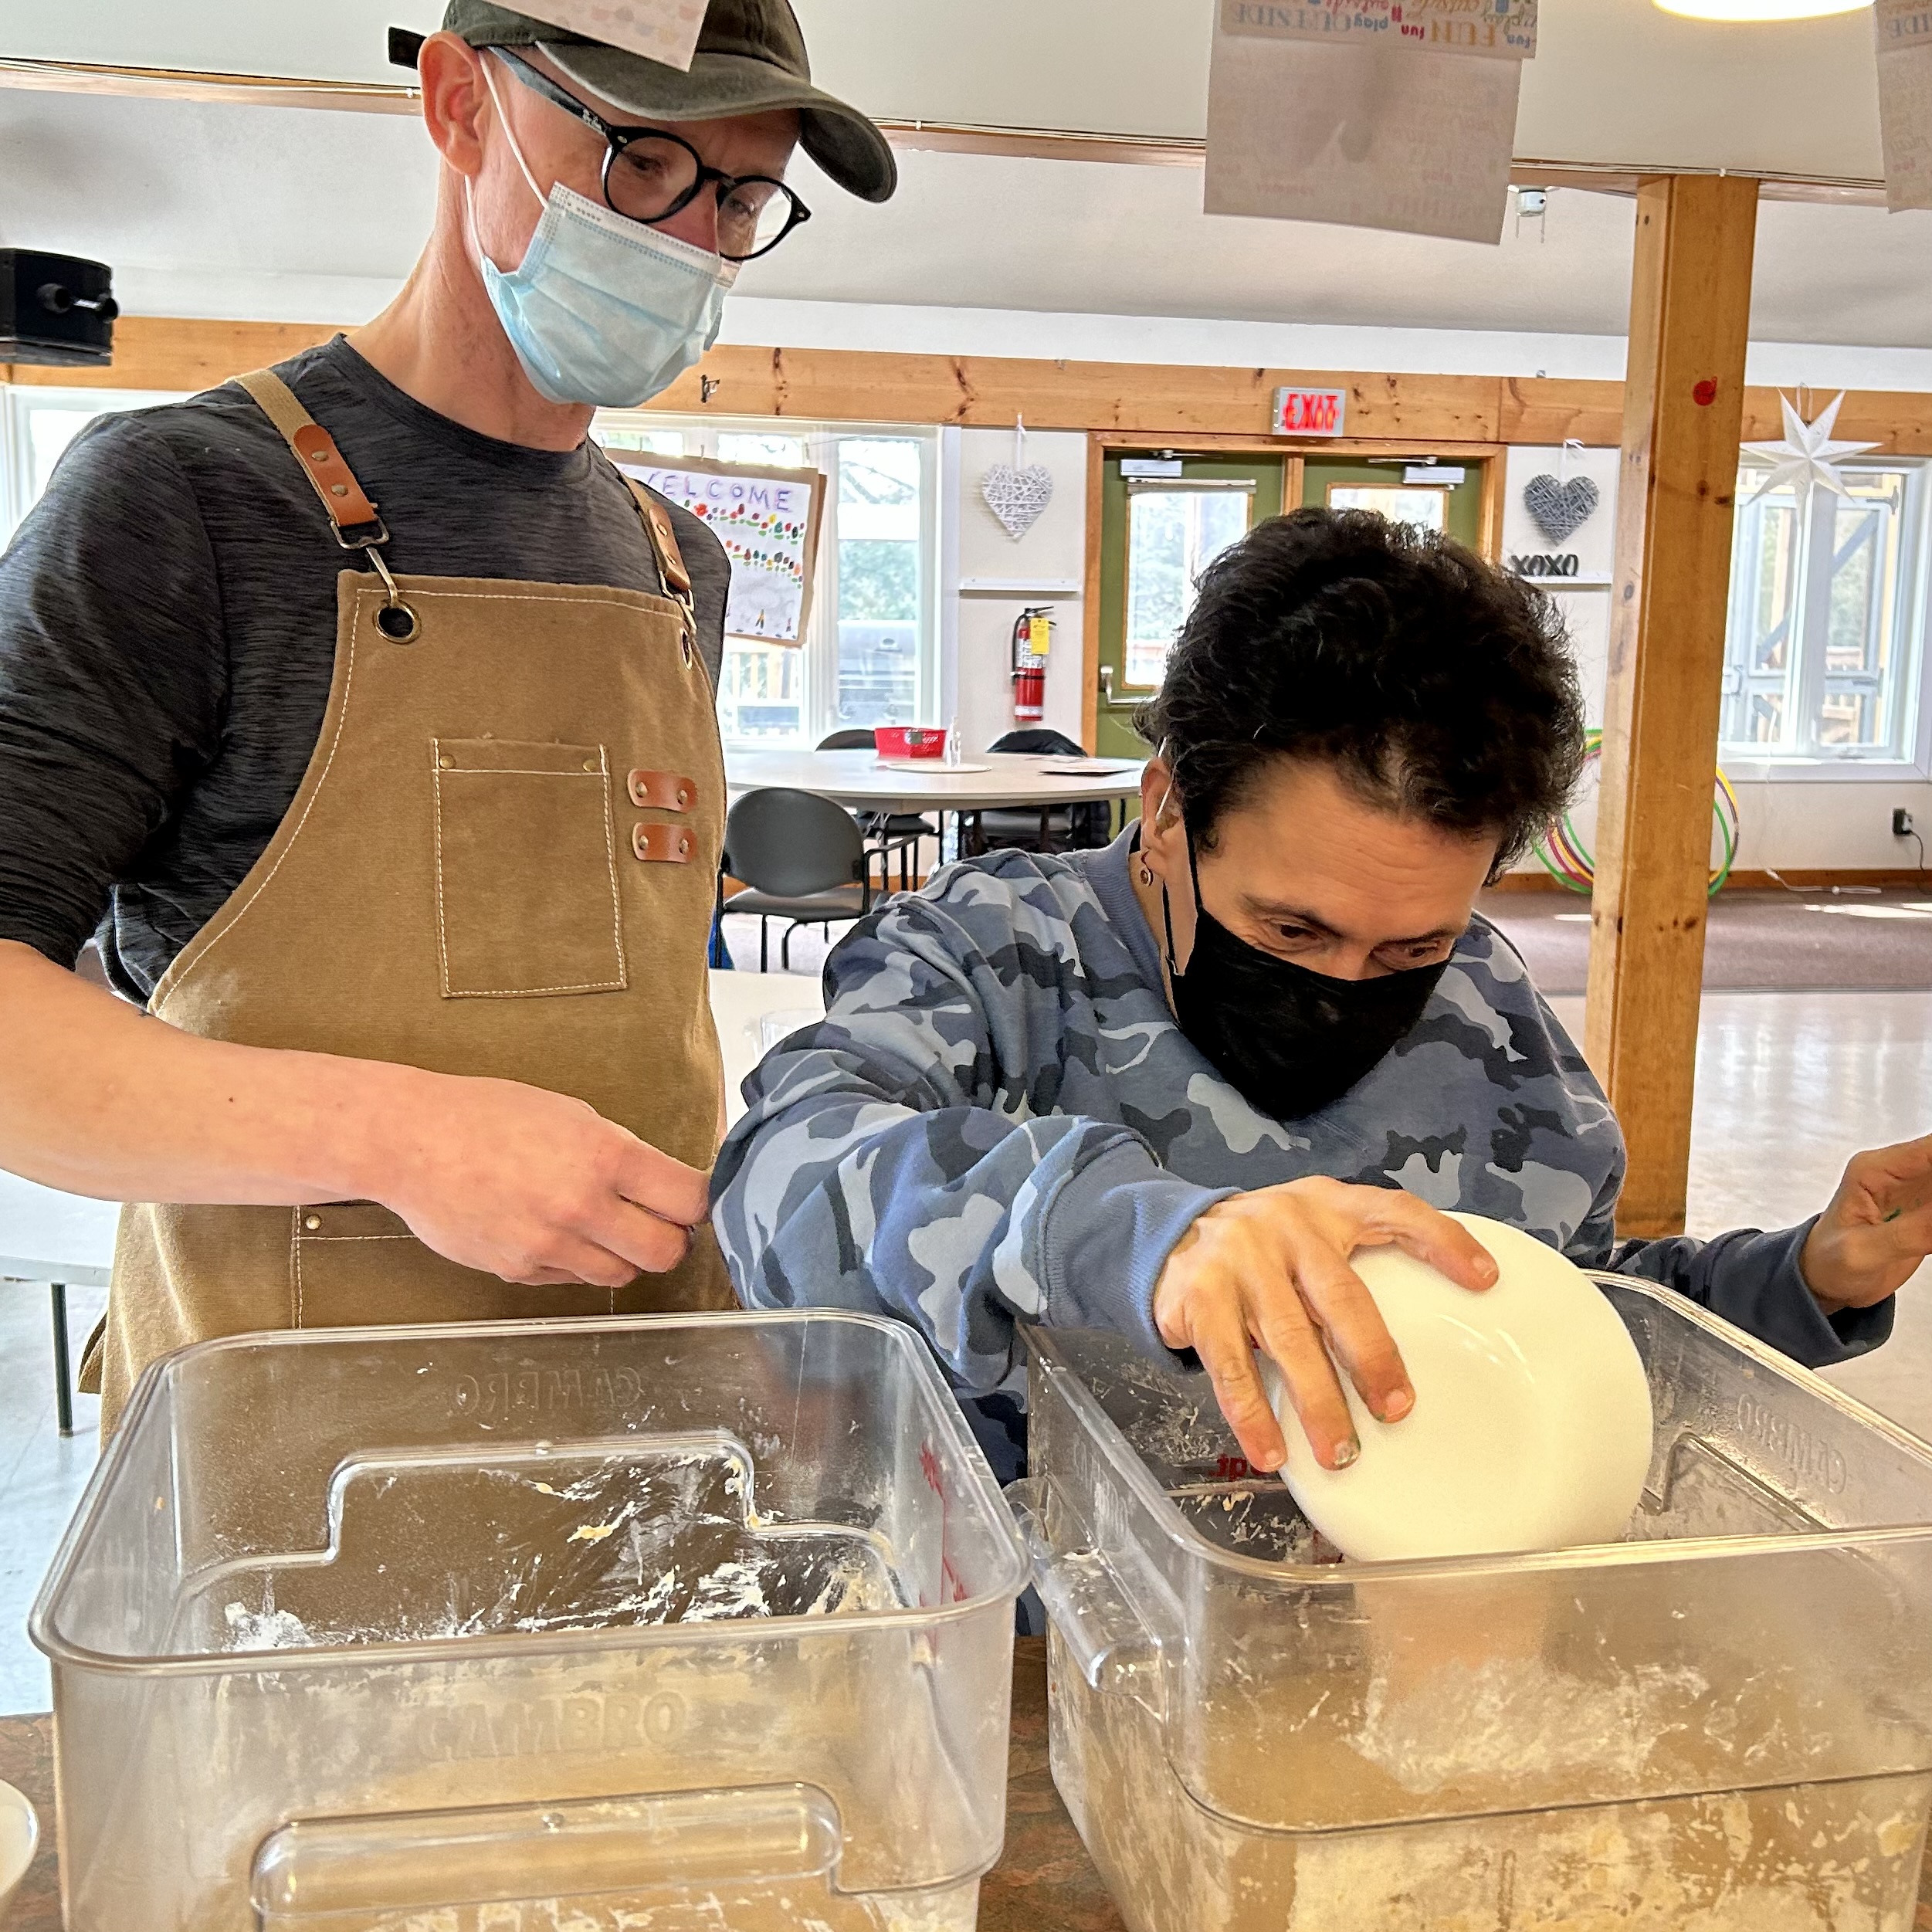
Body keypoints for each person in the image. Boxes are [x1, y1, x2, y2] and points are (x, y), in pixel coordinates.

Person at [0, 0, 896, 1431]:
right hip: (289, 1446)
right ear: (462, 106)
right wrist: (399, 1137)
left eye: (738, 200)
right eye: (644, 162)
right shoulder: (183, 501)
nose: (688, 239)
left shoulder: (678, 566)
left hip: (648, 1410)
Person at [713, 510, 1932, 1482]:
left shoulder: (1490, 1010)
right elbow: (778, 1179)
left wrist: (1801, 1278)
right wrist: (1141, 1233)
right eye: (1290, 928)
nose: (1342, 986)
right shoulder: (994, 953)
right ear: (1168, 811)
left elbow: (1566, 1317)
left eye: (1408, 949)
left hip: (1384, 1634)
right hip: (1038, 1640)